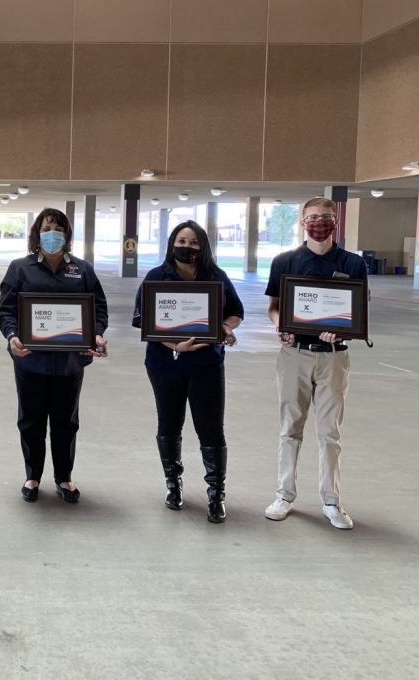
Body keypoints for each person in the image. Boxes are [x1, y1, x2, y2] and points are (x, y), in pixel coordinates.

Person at [264, 196, 367, 530]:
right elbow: (275, 307)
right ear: (301, 222)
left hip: (334, 359)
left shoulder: (353, 264)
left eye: (326, 217)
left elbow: (357, 313)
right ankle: (284, 494)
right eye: (312, 217)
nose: (319, 223)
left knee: (329, 433)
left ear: (336, 221)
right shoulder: (285, 261)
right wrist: (281, 326)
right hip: (295, 356)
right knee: (289, 429)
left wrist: (340, 333)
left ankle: (331, 501)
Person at [132, 221, 243, 523]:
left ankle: (216, 493)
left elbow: (236, 311)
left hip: (207, 365)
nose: (188, 247)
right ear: (172, 244)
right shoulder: (156, 277)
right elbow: (143, 320)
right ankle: (173, 484)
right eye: (182, 241)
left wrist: (224, 327)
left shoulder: (216, 277)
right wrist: (174, 344)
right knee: (169, 425)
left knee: (211, 429)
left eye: (194, 243)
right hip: (164, 364)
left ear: (203, 247)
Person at [0, 208, 108, 503]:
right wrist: (12, 336)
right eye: (48, 228)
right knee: (31, 420)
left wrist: (95, 334)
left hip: (70, 363)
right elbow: (6, 311)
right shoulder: (20, 268)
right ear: (37, 233)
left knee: (66, 422)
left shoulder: (82, 270)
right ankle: (32, 476)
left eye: (59, 229)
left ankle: (64, 478)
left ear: (67, 235)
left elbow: (98, 310)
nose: (53, 234)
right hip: (31, 360)